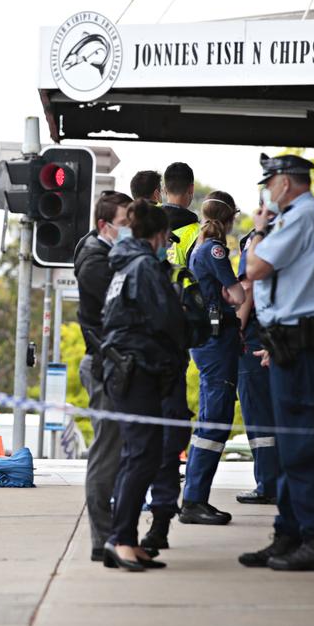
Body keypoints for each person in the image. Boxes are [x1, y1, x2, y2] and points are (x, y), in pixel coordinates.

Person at [239, 153, 314, 572]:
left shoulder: (303, 217)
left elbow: (256, 267)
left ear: (286, 181)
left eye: (270, 181)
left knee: (300, 444)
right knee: (289, 443)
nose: (268, 190)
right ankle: (290, 533)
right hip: (292, 343)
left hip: (303, 346)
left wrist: (259, 231)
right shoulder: (308, 217)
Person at [100, 199, 186, 571]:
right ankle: (120, 540)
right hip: (139, 370)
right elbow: (169, 320)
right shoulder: (146, 267)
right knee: (142, 456)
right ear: (159, 234)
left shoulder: (124, 265)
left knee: (139, 454)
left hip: (127, 369)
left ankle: (126, 539)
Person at [179, 191, 245, 524]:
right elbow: (238, 294)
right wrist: (232, 291)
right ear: (229, 217)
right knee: (215, 417)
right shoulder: (215, 249)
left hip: (208, 341)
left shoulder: (197, 246)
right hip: (217, 342)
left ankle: (194, 497)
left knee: (212, 414)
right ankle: (193, 500)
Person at [75, 190, 133, 562]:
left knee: (121, 453)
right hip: (104, 365)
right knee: (107, 454)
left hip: (116, 364)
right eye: (126, 224)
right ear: (104, 225)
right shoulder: (97, 262)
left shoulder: (108, 253)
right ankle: (102, 539)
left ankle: (115, 534)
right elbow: (124, 305)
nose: (131, 231)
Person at [143, 162, 197, 544]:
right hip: (148, 375)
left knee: (162, 452)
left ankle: (158, 524)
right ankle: (134, 530)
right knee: (148, 453)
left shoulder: (168, 276)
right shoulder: (134, 274)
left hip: (161, 374)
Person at [233, 220, 280, 506]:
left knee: (258, 414)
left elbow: (247, 287)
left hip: (255, 341)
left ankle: (267, 483)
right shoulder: (295, 236)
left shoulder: (257, 240)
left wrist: (236, 326)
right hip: (283, 336)